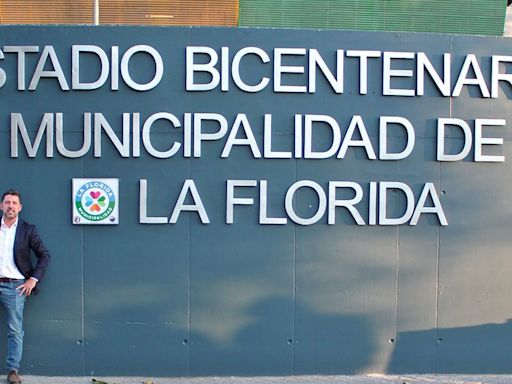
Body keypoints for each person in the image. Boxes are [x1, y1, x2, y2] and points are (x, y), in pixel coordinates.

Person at [0, 190, 50, 384]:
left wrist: (33, 279)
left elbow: (44, 255)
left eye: (14, 203)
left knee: (15, 330)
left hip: (15, 287)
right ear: (1, 206)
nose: (10, 206)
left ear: (19, 207)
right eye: (7, 202)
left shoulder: (27, 230)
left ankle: (12, 370)